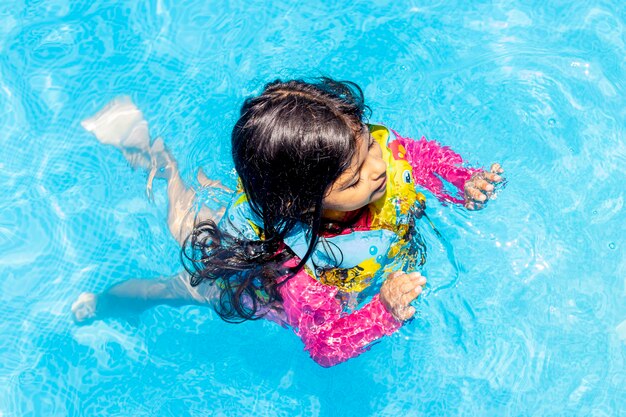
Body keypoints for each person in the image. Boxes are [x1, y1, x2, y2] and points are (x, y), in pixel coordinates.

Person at [72, 78, 503, 367]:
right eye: (354, 177)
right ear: (305, 202)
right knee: (179, 269)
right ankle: (152, 170)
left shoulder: (366, 156)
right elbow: (324, 345)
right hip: (240, 268)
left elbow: (418, 158)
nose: (378, 167)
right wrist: (382, 313)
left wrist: (462, 181)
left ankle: (158, 159)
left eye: (370, 144)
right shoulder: (298, 272)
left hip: (281, 202)